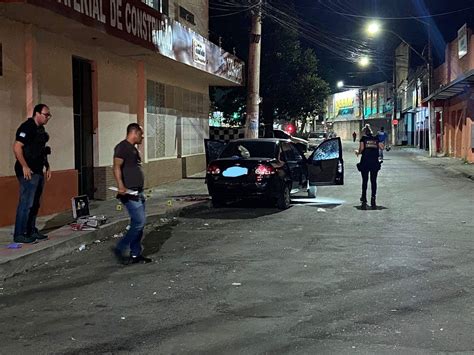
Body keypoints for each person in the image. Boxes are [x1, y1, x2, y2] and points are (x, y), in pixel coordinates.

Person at [12, 104, 52, 243]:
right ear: (37, 113)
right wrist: (24, 166)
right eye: (46, 114)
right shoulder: (27, 127)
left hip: (38, 170)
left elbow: (41, 150)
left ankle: (31, 230)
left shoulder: (40, 130)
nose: (48, 117)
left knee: (35, 203)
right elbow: (17, 147)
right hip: (27, 171)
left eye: (49, 115)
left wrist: (47, 166)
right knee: (26, 202)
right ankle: (20, 233)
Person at [112, 123, 152, 265]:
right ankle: (120, 247)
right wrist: (120, 185)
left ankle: (136, 254)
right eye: (141, 134)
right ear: (134, 133)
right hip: (128, 192)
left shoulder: (132, 149)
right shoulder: (122, 147)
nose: (142, 137)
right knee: (139, 221)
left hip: (137, 192)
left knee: (138, 224)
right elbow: (116, 166)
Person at [355, 125, 384, 209]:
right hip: (374, 162)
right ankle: (373, 198)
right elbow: (382, 147)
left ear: (364, 132)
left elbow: (361, 149)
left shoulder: (363, 139)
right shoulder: (376, 138)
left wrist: (357, 152)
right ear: (371, 131)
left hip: (365, 162)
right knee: (373, 181)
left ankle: (364, 198)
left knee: (365, 181)